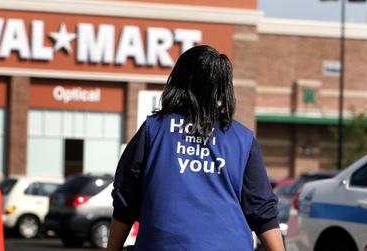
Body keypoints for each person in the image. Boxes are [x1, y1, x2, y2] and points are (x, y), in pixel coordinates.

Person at [106, 45, 284, 251]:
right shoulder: (242, 139)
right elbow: (262, 210)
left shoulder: (154, 130)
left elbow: (125, 198)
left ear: (179, 80)